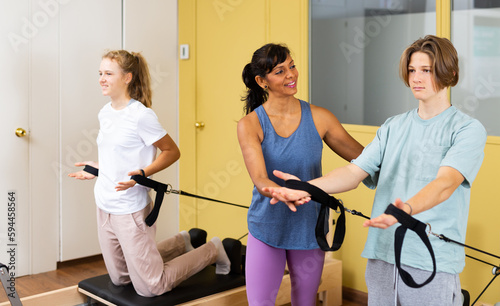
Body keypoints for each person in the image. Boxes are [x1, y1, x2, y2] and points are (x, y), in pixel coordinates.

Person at [264, 35, 487, 306]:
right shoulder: (393, 127)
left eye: (426, 70)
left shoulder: (466, 129)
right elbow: (353, 172)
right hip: (382, 253)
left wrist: (403, 211)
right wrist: (305, 187)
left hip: (430, 259)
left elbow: (446, 183)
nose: (417, 78)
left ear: (449, 73)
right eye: (412, 70)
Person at [69, 50, 232, 297]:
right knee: (121, 278)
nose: (101, 78)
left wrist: (144, 171)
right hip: (104, 205)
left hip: (130, 208)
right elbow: (116, 155)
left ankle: (213, 250)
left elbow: (171, 151)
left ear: (127, 77)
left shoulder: (141, 116)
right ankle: (182, 242)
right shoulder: (105, 112)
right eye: (100, 73)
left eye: (108, 73)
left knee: (150, 287)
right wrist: (97, 168)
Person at [237, 43, 364, 306]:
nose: (291, 75)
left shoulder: (320, 117)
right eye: (280, 71)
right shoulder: (250, 124)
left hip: (309, 227)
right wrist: (279, 191)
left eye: (292, 66)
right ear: (262, 81)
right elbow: (260, 179)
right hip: (266, 226)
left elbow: (364, 158)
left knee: (305, 302)